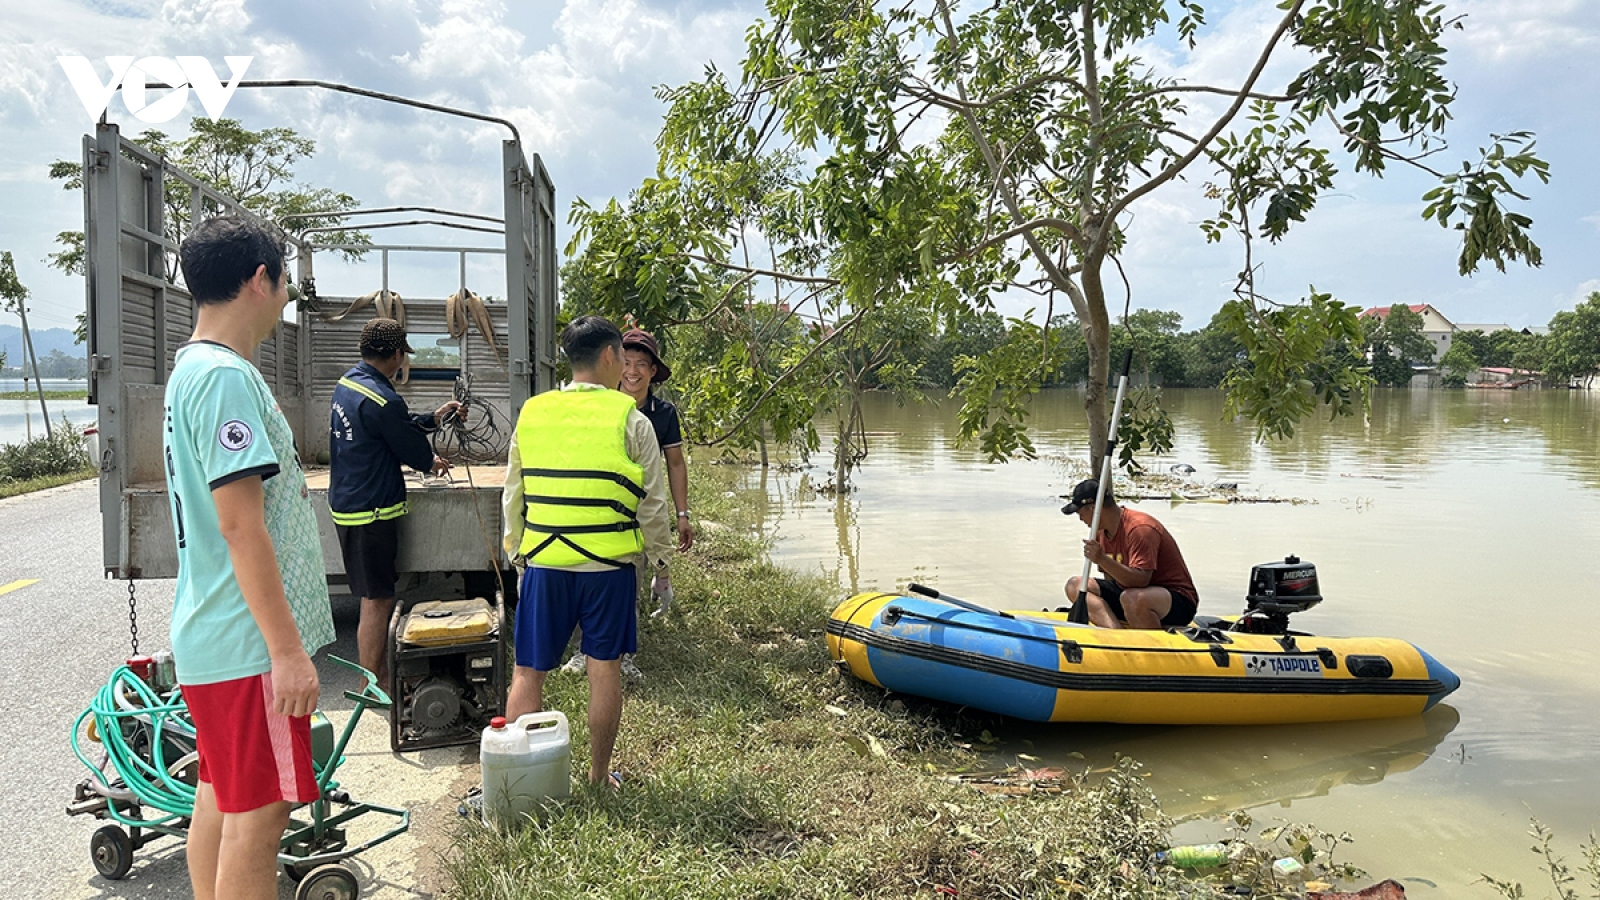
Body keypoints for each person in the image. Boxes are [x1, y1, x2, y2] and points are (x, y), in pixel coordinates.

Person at [163, 216, 336, 900]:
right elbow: (242, 526)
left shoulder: (192, 371)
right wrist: (287, 653)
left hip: (215, 636)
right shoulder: (225, 379)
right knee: (261, 823)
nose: (289, 293)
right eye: (286, 278)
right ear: (261, 279)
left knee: (223, 797)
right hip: (245, 645)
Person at [501, 314, 672, 787]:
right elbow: (653, 503)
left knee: (528, 673)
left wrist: (517, 553)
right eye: (623, 357)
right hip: (609, 568)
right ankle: (598, 778)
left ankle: (520, 784)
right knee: (604, 672)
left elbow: (513, 493)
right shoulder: (630, 420)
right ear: (608, 357)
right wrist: (660, 561)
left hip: (545, 564)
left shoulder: (532, 413)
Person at [328, 317, 459, 686]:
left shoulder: (348, 385)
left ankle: (377, 675)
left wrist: (433, 418)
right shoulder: (384, 400)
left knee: (373, 596)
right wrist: (433, 462)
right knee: (377, 600)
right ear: (398, 354)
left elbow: (390, 428)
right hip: (372, 512)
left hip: (349, 502)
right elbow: (411, 448)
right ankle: (375, 682)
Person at [557, 327, 690, 678]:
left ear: (652, 371)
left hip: (635, 511)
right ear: (613, 362)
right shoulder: (597, 404)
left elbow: (673, 465)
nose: (632, 371)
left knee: (628, 581)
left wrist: (681, 515)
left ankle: (623, 655)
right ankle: (582, 651)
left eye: (641, 364)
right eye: (626, 361)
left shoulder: (660, 415)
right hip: (595, 504)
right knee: (584, 578)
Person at [1062, 479, 1200, 629]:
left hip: (1174, 600)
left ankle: (1151, 643)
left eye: (1080, 512)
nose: (1080, 518)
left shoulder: (1140, 528)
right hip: (1128, 594)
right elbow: (1112, 578)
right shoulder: (1100, 532)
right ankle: (1115, 633)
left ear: (1093, 508)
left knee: (1132, 598)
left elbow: (1140, 581)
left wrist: (1101, 559)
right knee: (1075, 585)